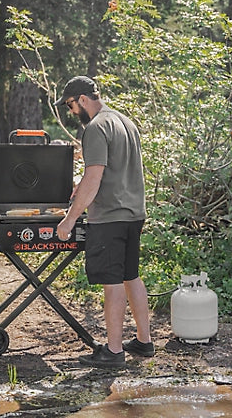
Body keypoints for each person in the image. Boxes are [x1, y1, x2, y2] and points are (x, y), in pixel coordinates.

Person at [55, 76, 154, 368]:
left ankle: (113, 352)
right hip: (134, 213)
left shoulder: (96, 128)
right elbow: (116, 172)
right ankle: (144, 341)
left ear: (82, 99)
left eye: (71, 106)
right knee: (130, 276)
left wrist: (69, 219)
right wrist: (82, 187)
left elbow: (95, 175)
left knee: (112, 284)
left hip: (109, 218)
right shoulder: (126, 122)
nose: (73, 112)